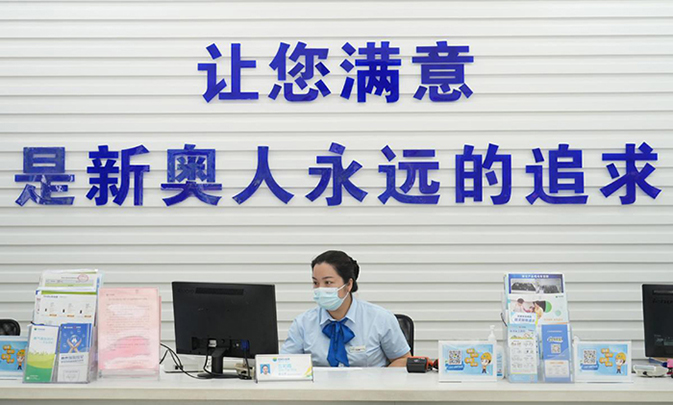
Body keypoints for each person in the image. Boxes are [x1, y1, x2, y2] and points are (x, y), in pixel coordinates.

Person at [280, 250, 411, 367]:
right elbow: (285, 363)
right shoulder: (303, 323)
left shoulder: (380, 319)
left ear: (348, 284)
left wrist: (380, 382)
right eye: (315, 283)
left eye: (328, 282)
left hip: (368, 386)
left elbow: (403, 359)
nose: (320, 289)